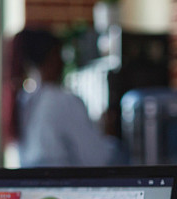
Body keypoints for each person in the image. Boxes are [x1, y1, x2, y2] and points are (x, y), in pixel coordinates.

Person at [7, 28, 120, 167]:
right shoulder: (61, 101)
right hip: (61, 180)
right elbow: (98, 159)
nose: (63, 62)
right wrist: (109, 134)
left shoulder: (24, 101)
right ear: (52, 57)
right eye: (60, 54)